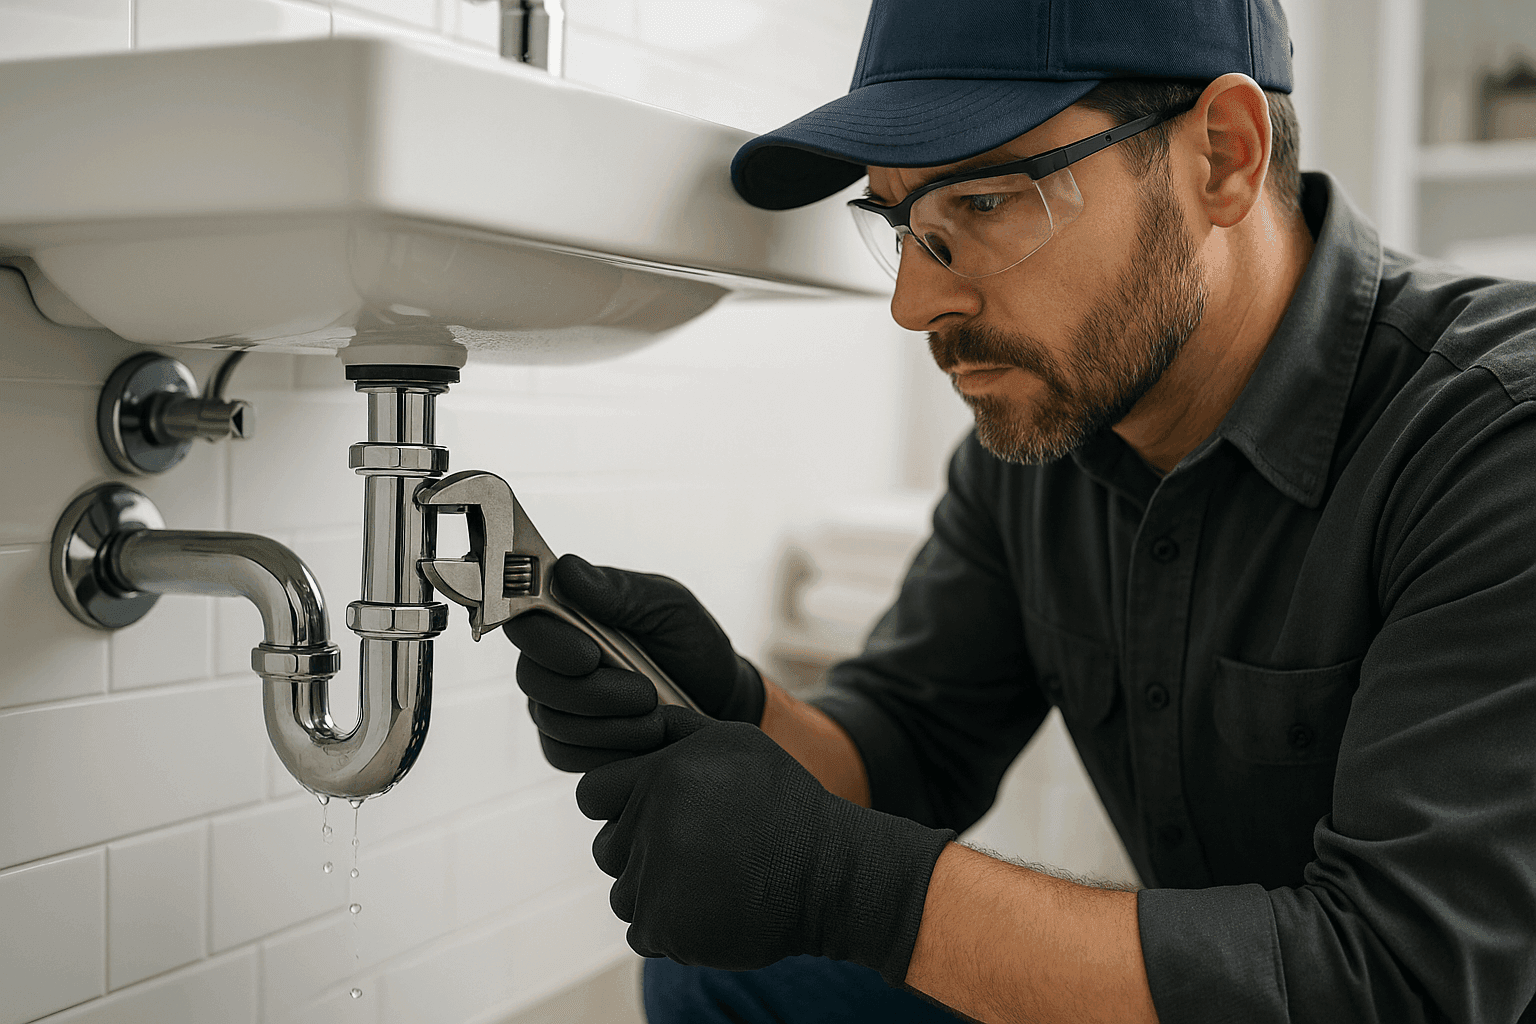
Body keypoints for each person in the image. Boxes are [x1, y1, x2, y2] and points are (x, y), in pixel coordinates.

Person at [505, 0, 1536, 1020]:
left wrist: (855, 886)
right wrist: (730, 706)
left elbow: (1407, 982)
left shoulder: (1494, 440)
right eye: (903, 223)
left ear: (1222, 155)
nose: (915, 304)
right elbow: (908, 745)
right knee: (722, 975)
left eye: (987, 204)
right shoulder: (1048, 429)